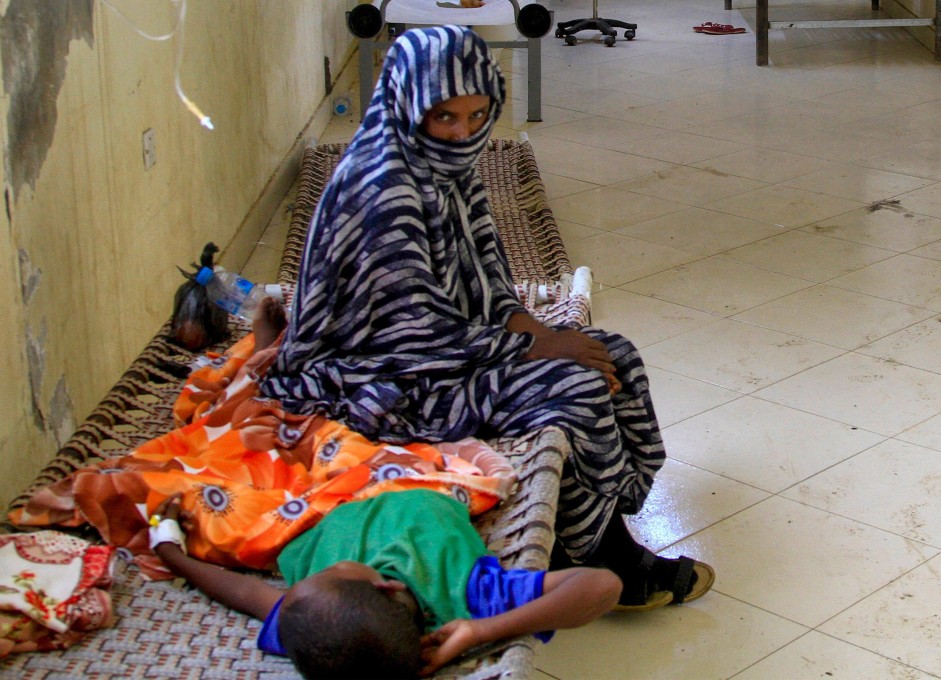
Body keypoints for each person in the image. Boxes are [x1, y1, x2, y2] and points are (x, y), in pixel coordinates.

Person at [259, 25, 713, 609]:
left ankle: (602, 521)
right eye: (445, 117)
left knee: (614, 354)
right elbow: (413, 338)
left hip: (449, 349)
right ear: (407, 105)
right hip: (384, 380)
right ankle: (600, 555)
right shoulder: (383, 189)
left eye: (477, 117)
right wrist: (540, 351)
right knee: (573, 386)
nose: (463, 134)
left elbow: (491, 279)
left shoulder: (447, 166)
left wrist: (540, 332)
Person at [150, 491, 622, 678]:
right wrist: (482, 631)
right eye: (330, 573)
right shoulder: (472, 594)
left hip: (313, 503)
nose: (319, 572)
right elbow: (602, 586)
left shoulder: (314, 623)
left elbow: (244, 592)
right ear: (387, 588)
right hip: (415, 482)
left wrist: (168, 548)